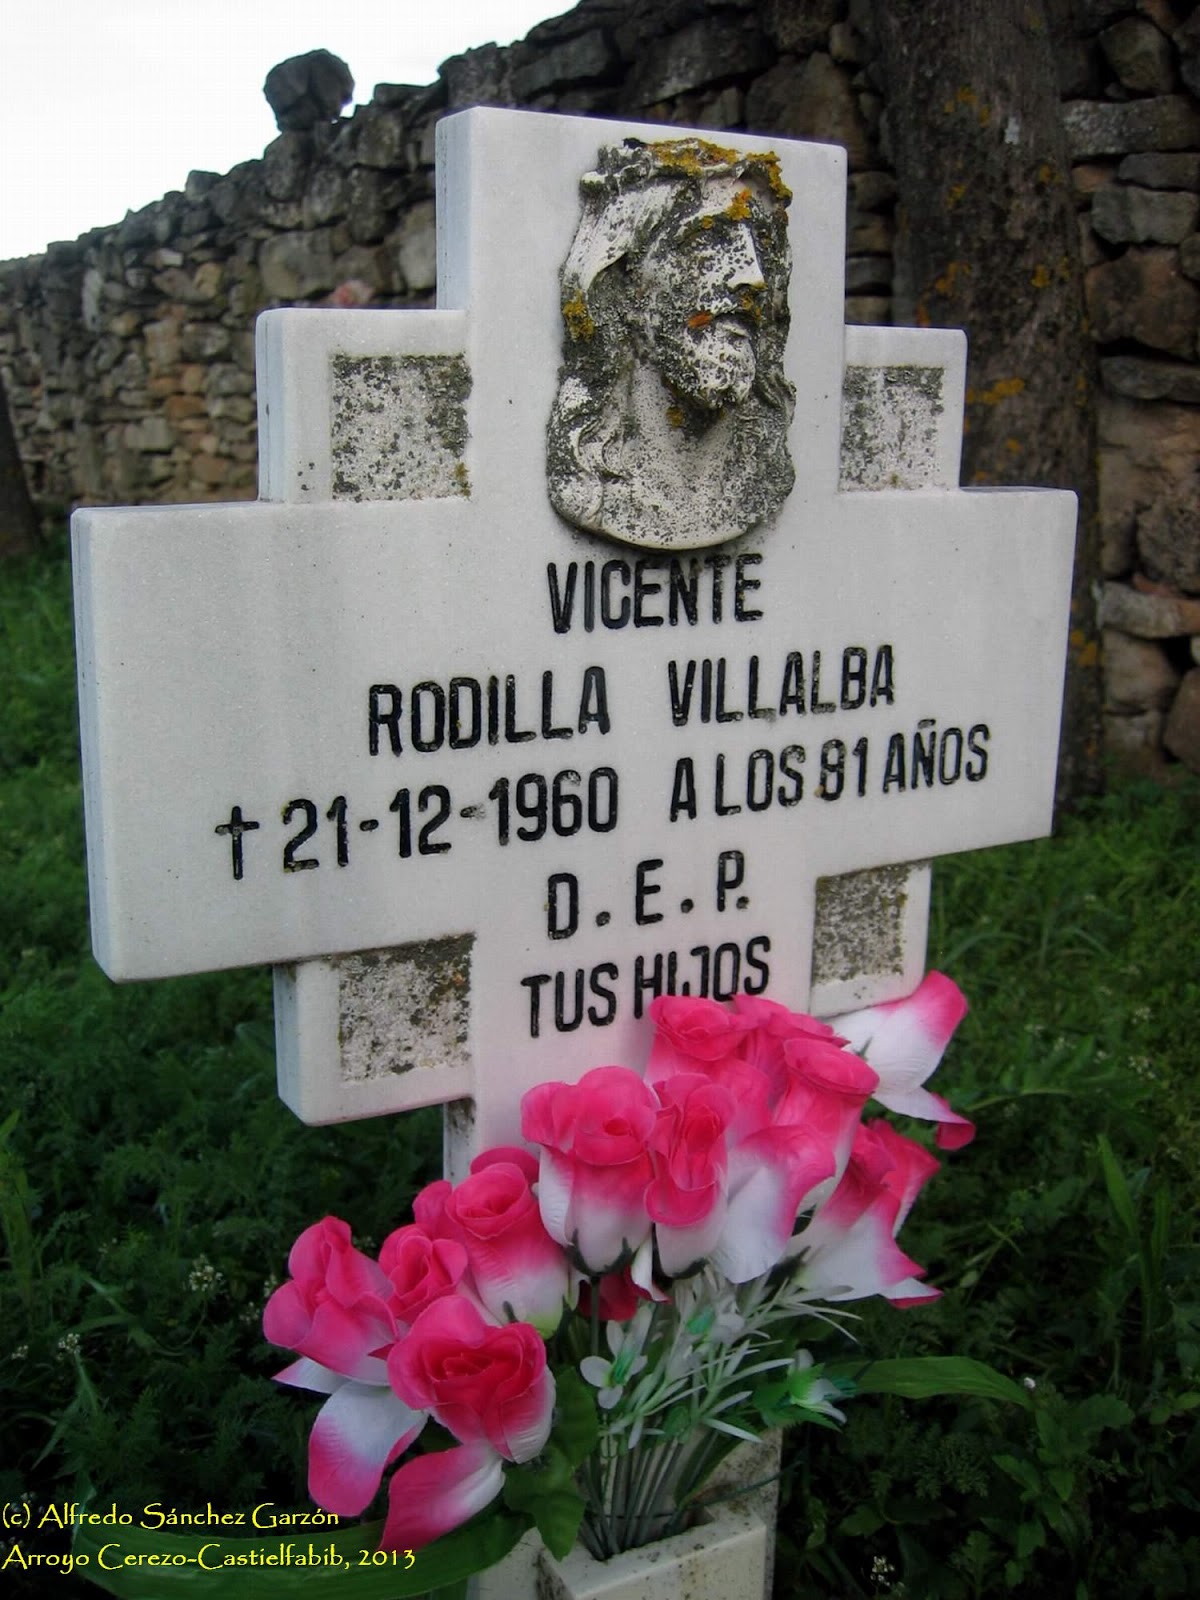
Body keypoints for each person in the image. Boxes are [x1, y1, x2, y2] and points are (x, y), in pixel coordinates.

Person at [547, 137, 795, 551]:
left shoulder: (761, 482)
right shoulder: (594, 494)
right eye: (708, 241)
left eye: (760, 250)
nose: (753, 277)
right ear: (626, 286)